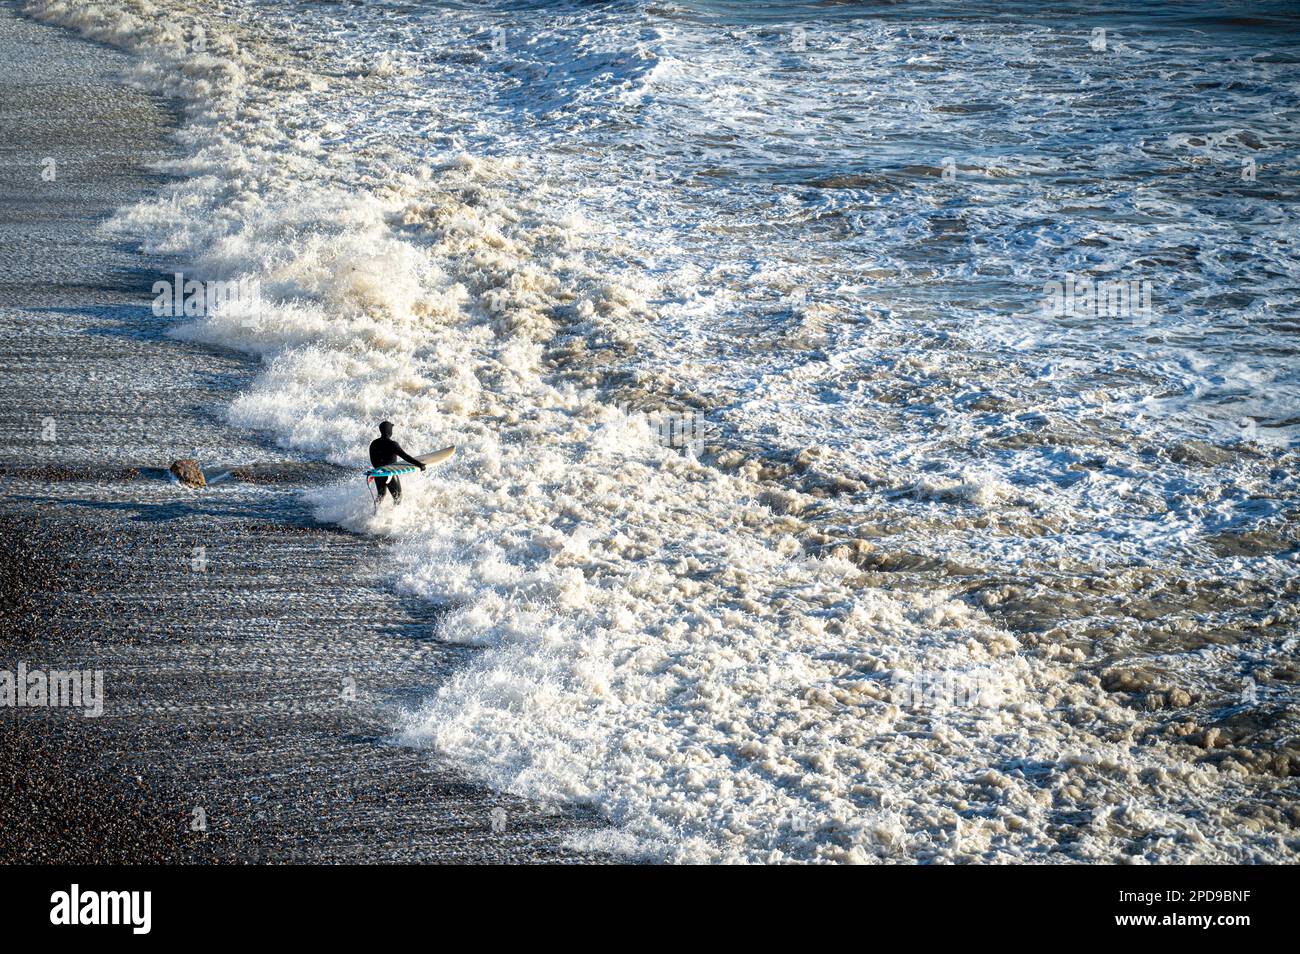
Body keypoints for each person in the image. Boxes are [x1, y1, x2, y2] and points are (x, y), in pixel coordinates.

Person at [369, 420, 424, 507]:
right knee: (397, 497)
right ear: (389, 431)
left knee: (380, 496)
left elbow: (373, 461)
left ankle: (375, 514)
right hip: (390, 474)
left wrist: (379, 471)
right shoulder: (392, 444)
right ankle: (394, 518)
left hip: (378, 474)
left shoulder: (374, 443)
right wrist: (419, 464)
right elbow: (406, 457)